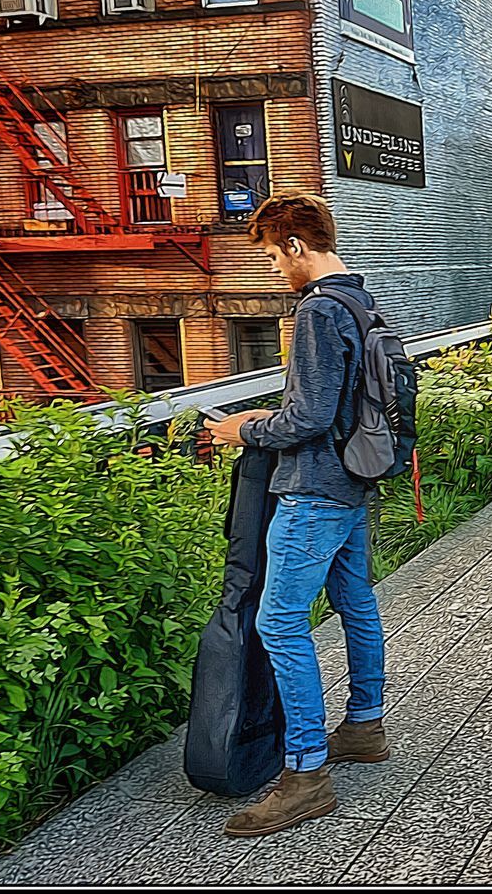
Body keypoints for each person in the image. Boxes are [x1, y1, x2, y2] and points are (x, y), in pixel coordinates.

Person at [206, 192, 387, 838]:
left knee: (278, 621)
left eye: (272, 256)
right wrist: (267, 418)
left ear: (295, 246)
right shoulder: (359, 298)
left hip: (314, 488)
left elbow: (308, 417)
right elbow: (331, 405)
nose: (274, 269)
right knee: (355, 599)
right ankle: (365, 725)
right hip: (354, 477)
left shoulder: (316, 310)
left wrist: (244, 432)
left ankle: (306, 774)